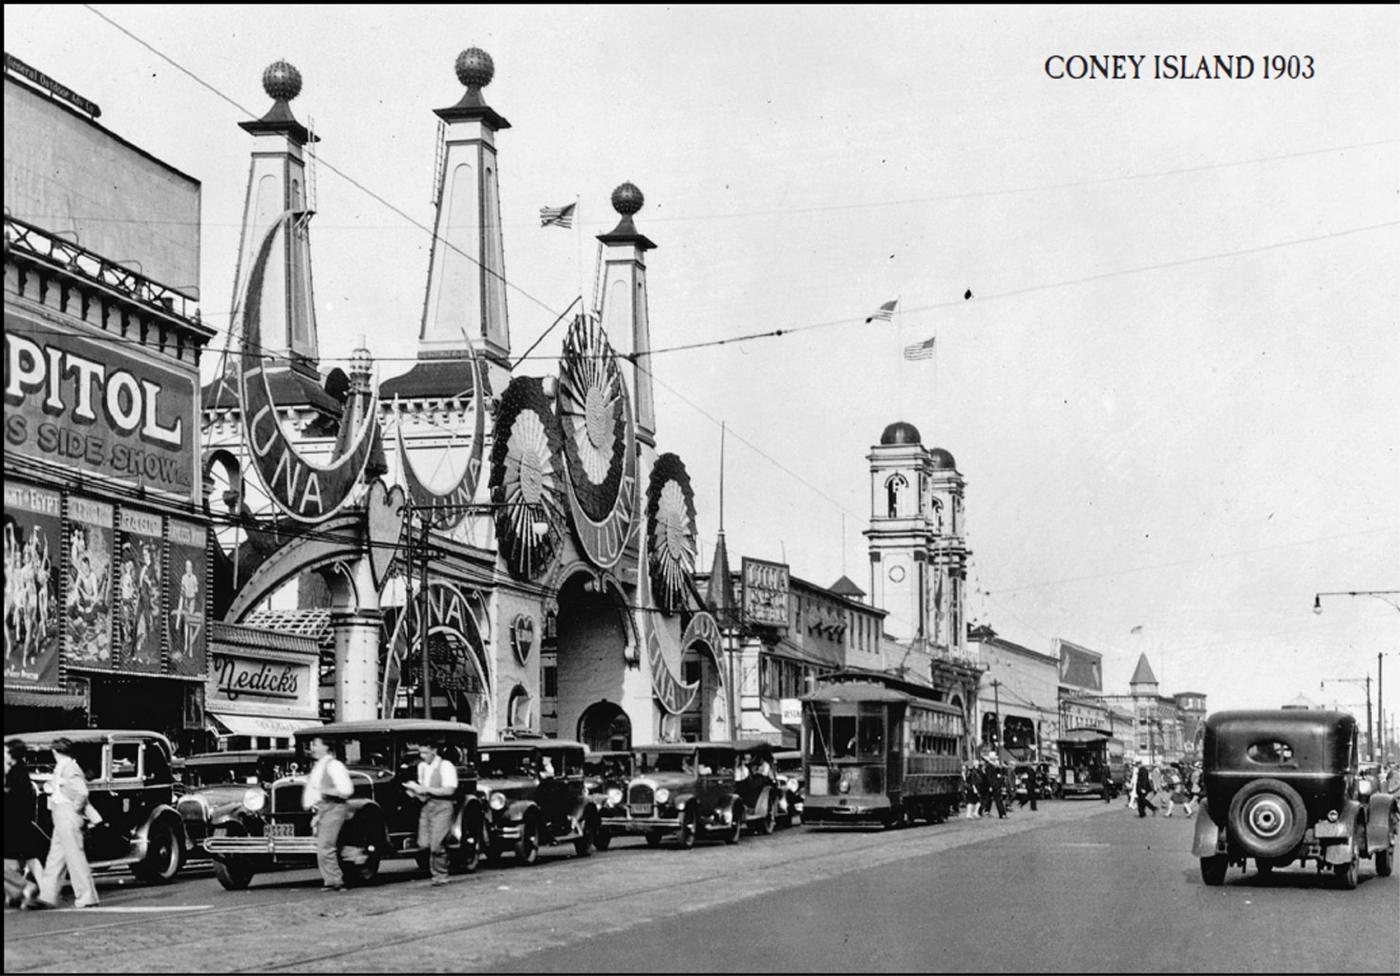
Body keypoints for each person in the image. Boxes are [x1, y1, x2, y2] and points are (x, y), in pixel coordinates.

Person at [30, 737, 98, 909]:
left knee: (75, 857)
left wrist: (74, 810)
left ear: (54, 752)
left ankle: (87, 897)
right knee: (55, 858)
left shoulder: (70, 769)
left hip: (67, 814)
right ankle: (47, 896)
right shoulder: (64, 767)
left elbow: (82, 793)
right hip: (60, 815)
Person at [302, 735, 354, 892]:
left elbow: (346, 790)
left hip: (334, 807)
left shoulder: (334, 765)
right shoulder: (319, 766)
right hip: (324, 808)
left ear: (326, 747)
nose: (312, 748)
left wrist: (326, 791)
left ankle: (335, 881)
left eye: (315, 744)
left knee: (326, 846)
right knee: (323, 846)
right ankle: (331, 880)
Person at [405, 740, 458, 887]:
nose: (422, 756)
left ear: (434, 751)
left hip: (443, 806)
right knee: (423, 843)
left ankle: (440, 874)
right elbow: (423, 792)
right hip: (427, 806)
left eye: (425, 753)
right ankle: (436, 868)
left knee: (436, 844)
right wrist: (414, 792)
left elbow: (449, 790)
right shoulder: (422, 767)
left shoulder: (446, 766)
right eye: (420, 753)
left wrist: (425, 790)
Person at [5, 740, 46, 908]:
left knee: (17, 860)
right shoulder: (18, 771)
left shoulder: (16, 773)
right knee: (21, 860)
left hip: (14, 824)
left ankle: (25, 888)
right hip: (19, 823)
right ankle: (18, 893)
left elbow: (11, 798)